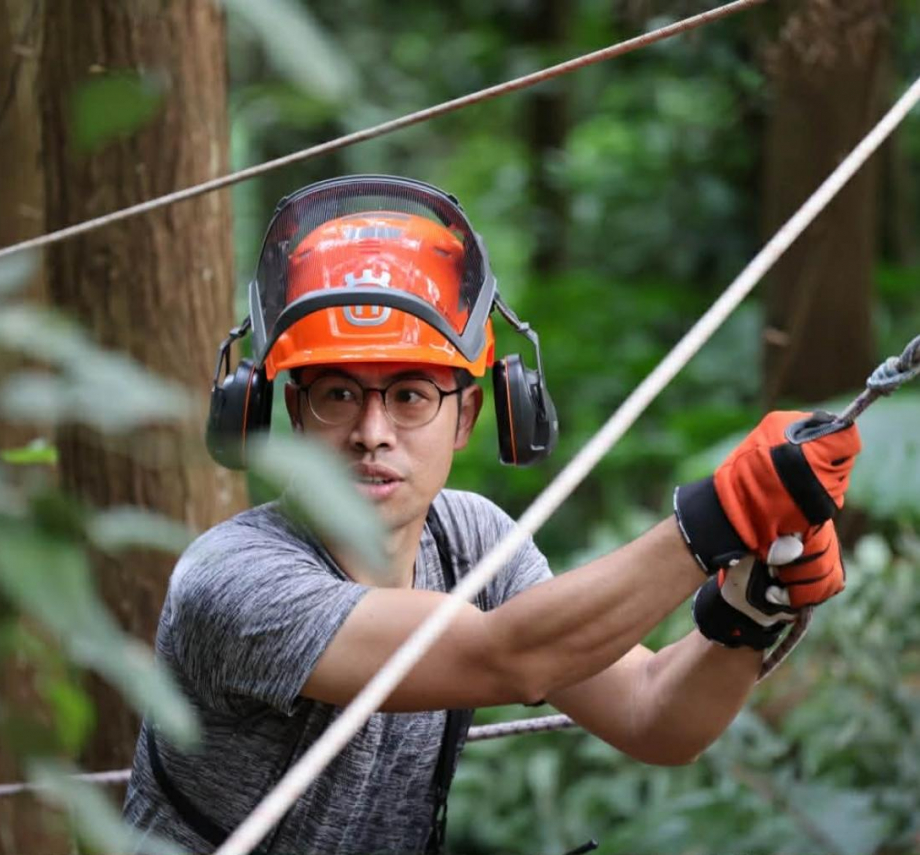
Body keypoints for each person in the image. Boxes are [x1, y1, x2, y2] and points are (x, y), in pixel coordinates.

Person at [123, 175, 860, 854]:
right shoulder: (233, 580)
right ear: (290, 410)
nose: (373, 431)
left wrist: (750, 607)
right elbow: (507, 654)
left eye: (410, 395)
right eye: (338, 393)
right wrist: (720, 515)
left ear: (471, 414)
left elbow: (653, 715)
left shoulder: (472, 540)